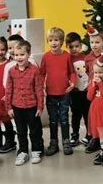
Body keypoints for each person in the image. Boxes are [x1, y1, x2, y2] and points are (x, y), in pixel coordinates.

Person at [5, 41, 44, 166]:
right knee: (21, 131)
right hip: (17, 107)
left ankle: (36, 150)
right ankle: (23, 152)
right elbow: (8, 90)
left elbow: (39, 89)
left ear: (28, 55)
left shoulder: (34, 70)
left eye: (22, 54)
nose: (19, 57)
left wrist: (40, 106)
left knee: (35, 130)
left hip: (32, 107)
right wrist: (8, 107)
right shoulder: (11, 71)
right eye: (16, 55)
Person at [40, 27, 76, 156]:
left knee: (64, 119)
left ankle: (66, 141)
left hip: (64, 93)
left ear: (61, 42)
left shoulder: (67, 56)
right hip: (50, 94)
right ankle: (53, 142)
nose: (53, 42)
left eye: (56, 40)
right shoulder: (46, 57)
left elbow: (72, 72)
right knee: (53, 119)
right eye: (50, 40)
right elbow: (41, 74)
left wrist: (72, 83)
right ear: (47, 42)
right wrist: (42, 87)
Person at [84, 25, 103, 153]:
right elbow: (86, 72)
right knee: (97, 118)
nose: (94, 45)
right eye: (92, 42)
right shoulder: (88, 58)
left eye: (97, 42)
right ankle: (98, 140)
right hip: (93, 89)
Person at [65, 32, 89, 147]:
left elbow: (90, 72)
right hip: (74, 92)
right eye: (71, 47)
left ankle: (90, 134)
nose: (74, 49)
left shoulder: (85, 57)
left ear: (80, 45)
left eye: (76, 46)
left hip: (86, 91)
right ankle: (75, 135)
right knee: (75, 114)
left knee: (87, 113)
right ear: (67, 46)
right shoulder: (67, 59)